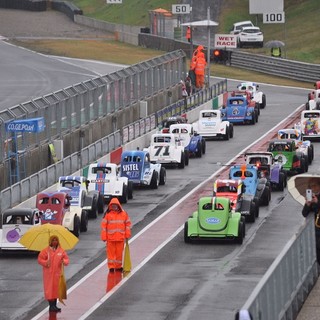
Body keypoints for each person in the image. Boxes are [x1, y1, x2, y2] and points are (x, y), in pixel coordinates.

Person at [38, 235, 69, 312]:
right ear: (50, 241)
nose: (55, 242)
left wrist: (63, 261)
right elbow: (39, 259)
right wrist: (45, 262)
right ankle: (51, 306)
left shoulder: (61, 251)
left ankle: (54, 305)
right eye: (53, 240)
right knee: (49, 290)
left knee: (56, 290)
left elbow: (66, 259)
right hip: (48, 274)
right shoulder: (45, 251)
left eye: (56, 240)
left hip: (57, 274)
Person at [101, 197, 131, 272]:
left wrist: (127, 234)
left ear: (118, 206)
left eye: (115, 205)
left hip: (120, 238)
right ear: (110, 206)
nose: (114, 207)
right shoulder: (107, 215)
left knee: (119, 253)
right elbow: (103, 227)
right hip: (110, 238)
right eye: (113, 205)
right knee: (110, 254)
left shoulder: (124, 214)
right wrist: (104, 237)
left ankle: (118, 266)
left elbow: (128, 225)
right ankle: (111, 267)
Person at [302, 177, 320, 264]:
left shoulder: (317, 199)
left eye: (314, 185)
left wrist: (317, 203)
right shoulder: (312, 197)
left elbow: (318, 212)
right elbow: (304, 214)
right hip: (315, 232)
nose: (313, 188)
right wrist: (308, 205)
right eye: (311, 186)